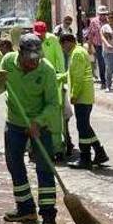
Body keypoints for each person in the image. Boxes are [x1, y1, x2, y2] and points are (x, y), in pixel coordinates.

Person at [0, 34, 61, 224]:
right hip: (15, 122)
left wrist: (37, 122)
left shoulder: (46, 70)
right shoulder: (7, 62)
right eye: (29, 59)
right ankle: (25, 208)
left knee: (45, 167)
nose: (33, 63)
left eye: (36, 58)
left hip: (41, 124)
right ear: (20, 54)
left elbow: (52, 104)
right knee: (14, 164)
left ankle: (48, 215)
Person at [62, 33, 110, 170]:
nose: (63, 48)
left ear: (68, 42)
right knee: (85, 126)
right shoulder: (80, 51)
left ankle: (85, 157)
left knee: (82, 128)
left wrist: (74, 94)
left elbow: (77, 77)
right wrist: (58, 77)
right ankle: (99, 152)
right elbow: (71, 74)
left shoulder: (76, 54)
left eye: (63, 45)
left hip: (82, 96)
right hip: (86, 95)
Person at [33, 21, 72, 162]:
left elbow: (60, 58)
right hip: (36, 80)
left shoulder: (52, 40)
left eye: (41, 34)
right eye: (37, 35)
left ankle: (58, 147)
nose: (40, 37)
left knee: (56, 115)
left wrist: (61, 77)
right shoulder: (30, 41)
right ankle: (35, 147)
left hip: (54, 79)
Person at [85, 6, 108, 86]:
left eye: (104, 14)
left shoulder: (109, 21)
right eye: (101, 14)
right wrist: (89, 46)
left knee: (109, 64)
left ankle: (107, 77)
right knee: (101, 63)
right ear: (98, 14)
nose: (103, 16)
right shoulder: (94, 22)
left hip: (108, 45)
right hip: (98, 45)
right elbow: (90, 34)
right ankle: (103, 82)